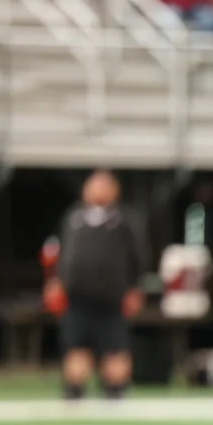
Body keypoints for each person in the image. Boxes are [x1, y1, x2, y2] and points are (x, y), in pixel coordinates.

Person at [46, 170, 151, 400]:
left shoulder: (124, 220)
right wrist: (56, 282)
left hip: (111, 297)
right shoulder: (74, 218)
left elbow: (139, 257)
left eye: (104, 186)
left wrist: (135, 288)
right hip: (77, 296)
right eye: (94, 185)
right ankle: (74, 389)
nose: (98, 190)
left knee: (115, 347)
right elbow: (63, 255)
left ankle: (115, 388)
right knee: (76, 345)